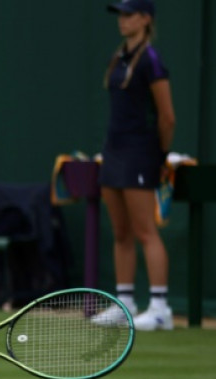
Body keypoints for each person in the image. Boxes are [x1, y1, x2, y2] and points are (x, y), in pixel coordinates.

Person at [92, 0, 176, 332]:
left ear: (145, 19)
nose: (122, 21)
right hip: (113, 152)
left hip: (140, 153)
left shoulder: (151, 60)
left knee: (145, 230)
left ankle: (160, 308)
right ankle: (124, 304)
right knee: (121, 232)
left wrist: (159, 154)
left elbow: (167, 117)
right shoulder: (120, 56)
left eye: (129, 14)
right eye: (121, 15)